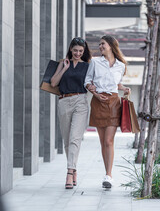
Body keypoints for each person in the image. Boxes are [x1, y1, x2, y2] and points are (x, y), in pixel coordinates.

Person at [84, 35, 131, 189]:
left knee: (109, 141)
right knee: (102, 141)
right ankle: (106, 172)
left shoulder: (121, 65)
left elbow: (116, 83)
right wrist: (94, 92)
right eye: (100, 44)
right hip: (98, 101)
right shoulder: (95, 62)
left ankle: (108, 175)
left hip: (113, 103)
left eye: (103, 44)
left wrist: (124, 88)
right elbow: (87, 81)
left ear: (111, 45)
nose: (100, 46)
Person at [51, 37, 91, 189]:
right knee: (67, 140)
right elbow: (54, 83)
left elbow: (90, 84)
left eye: (81, 51)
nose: (78, 53)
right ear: (70, 49)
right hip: (63, 101)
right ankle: (73, 169)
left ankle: (69, 172)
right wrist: (64, 69)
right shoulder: (63, 63)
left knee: (75, 138)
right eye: (75, 50)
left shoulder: (87, 66)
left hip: (80, 101)